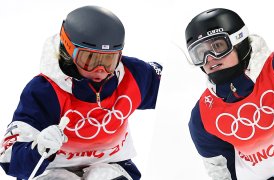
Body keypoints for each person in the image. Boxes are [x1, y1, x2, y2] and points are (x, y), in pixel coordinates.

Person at [0, 5, 162, 180]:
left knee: (102, 176)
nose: (100, 70)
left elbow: (171, 86)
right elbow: (9, 158)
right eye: (89, 60)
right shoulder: (46, 91)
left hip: (110, 165)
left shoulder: (132, 76)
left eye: (109, 60)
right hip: (54, 167)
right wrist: (37, 149)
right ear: (69, 50)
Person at [185, 8, 274, 180]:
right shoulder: (204, 117)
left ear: (239, 42)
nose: (209, 58)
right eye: (199, 53)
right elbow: (222, 172)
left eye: (217, 46)